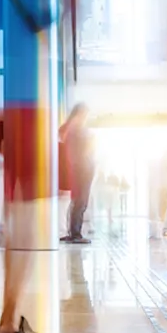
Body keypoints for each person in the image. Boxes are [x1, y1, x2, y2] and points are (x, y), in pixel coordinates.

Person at [60, 104, 94, 244]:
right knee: (81, 200)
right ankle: (75, 234)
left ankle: (73, 232)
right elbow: (85, 148)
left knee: (77, 200)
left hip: (78, 167)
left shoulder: (68, 128)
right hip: (82, 167)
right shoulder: (77, 128)